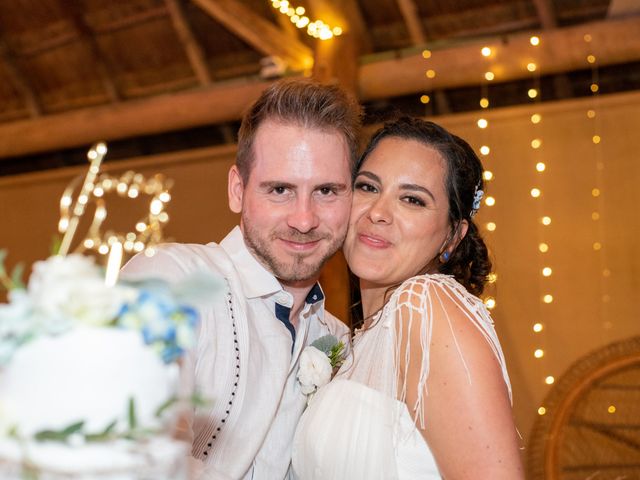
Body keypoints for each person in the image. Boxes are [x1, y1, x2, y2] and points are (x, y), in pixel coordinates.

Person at [121, 79, 361, 479]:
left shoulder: (339, 342)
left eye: (327, 191)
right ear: (237, 189)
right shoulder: (172, 282)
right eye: (280, 189)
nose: (304, 219)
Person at [292, 117, 524, 479]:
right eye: (368, 187)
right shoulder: (364, 335)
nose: (378, 213)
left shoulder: (425, 303)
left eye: (412, 199)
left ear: (452, 237)